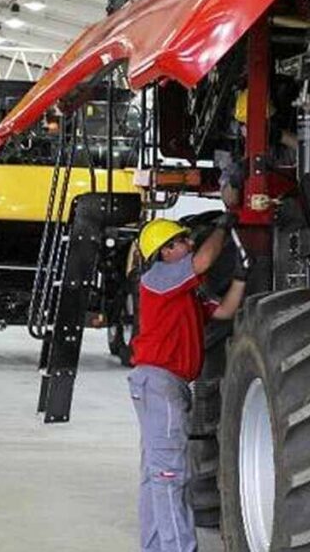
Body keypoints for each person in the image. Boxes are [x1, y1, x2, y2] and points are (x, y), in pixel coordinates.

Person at [128, 214, 248, 552]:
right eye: (182, 240)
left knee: (156, 475)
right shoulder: (161, 276)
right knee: (169, 476)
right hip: (160, 382)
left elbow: (223, 312)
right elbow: (204, 260)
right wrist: (225, 226)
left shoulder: (184, 293)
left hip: (164, 385)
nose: (189, 243)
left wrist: (240, 277)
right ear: (165, 252)